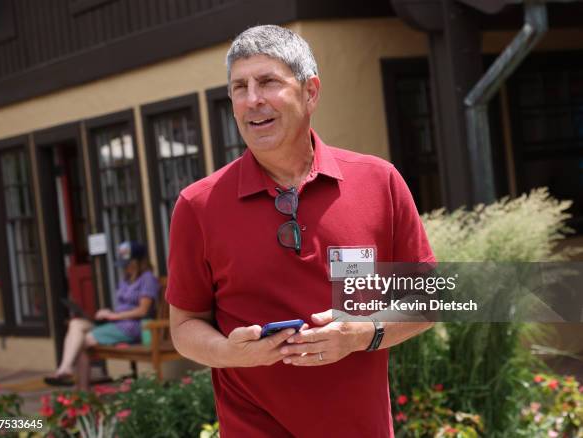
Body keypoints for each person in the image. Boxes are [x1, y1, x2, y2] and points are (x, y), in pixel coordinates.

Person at [167, 25, 435, 437]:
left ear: (310, 92)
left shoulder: (379, 181)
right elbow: (185, 325)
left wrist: (361, 334)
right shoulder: (197, 205)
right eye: (240, 87)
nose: (252, 99)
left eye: (268, 82)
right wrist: (231, 353)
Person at [45, 241, 159, 389]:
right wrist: (107, 313)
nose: (125, 267)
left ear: (138, 261)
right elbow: (122, 306)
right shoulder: (126, 279)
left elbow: (143, 310)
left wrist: (115, 316)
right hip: (116, 323)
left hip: (133, 326)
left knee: (82, 341)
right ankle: (66, 368)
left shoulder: (147, 278)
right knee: (75, 324)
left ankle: (80, 389)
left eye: (128, 263)